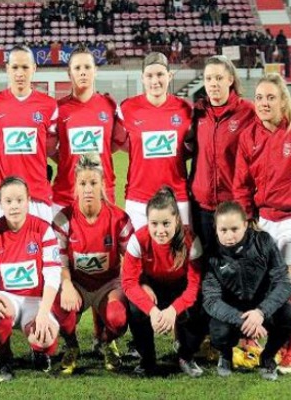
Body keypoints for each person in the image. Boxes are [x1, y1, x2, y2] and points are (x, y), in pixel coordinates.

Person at [52, 152, 133, 373]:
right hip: (76, 284)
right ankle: (72, 346)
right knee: (57, 308)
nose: (88, 189)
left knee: (118, 317)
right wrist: (67, 285)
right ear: (75, 186)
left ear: (103, 185)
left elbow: (133, 261)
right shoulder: (62, 220)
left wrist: (125, 289)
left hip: (108, 285)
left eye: (93, 183)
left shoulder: (120, 219)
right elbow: (58, 263)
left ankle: (106, 341)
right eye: (83, 183)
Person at [233, 73, 291, 372]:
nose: (264, 103)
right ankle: (256, 341)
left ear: (283, 100)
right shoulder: (248, 136)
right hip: (262, 222)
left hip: (290, 221)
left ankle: (289, 347)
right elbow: (241, 185)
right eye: (259, 98)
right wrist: (248, 224)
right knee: (260, 285)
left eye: (271, 97)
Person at [0, 177, 62, 382]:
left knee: (45, 339)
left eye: (19, 200)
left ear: (28, 200)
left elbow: (53, 274)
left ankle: (39, 351)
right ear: (0, 204)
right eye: (8, 201)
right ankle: (5, 358)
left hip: (36, 301)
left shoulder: (43, 229)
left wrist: (43, 313)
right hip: (9, 298)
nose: (14, 206)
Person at [121, 187, 205, 377]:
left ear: (177, 220)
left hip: (180, 290)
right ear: (147, 223)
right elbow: (128, 282)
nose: (160, 230)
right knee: (134, 308)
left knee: (200, 307)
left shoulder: (191, 241)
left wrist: (174, 310)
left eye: (166, 223)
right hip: (154, 289)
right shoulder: (138, 240)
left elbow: (194, 286)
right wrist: (152, 311)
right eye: (154, 224)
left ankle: (186, 356)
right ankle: (147, 359)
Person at [203, 201, 291, 381]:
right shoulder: (211, 253)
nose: (229, 236)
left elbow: (282, 281)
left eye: (235, 229)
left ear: (245, 224)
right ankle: (225, 356)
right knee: (218, 330)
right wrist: (242, 319)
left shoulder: (263, 241)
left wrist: (261, 312)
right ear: (216, 229)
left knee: (288, 316)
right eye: (224, 230)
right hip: (232, 313)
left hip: (261, 309)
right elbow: (211, 300)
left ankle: (267, 357)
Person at [115, 52, 192, 230]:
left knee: (182, 254)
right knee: (139, 254)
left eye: (160, 74)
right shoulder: (127, 108)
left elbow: (189, 149)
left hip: (177, 197)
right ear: (142, 78)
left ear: (169, 76)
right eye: (149, 76)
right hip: (139, 199)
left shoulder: (185, 109)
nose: (155, 81)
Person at [187, 55, 254, 254]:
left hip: (234, 206)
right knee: (207, 265)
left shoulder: (248, 112)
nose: (213, 84)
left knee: (236, 265)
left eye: (218, 78)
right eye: (208, 79)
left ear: (230, 79)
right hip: (202, 207)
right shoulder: (197, 113)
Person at [0, 45, 58, 224]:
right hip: (3, 195)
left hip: (37, 195)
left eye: (25, 67)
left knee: (41, 251)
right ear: (7, 69)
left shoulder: (49, 105)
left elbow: (52, 147)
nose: (20, 73)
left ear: (34, 69)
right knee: (0, 251)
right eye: (15, 67)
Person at [52, 46, 120, 215]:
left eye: (87, 67)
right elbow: (49, 147)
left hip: (102, 193)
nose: (83, 72)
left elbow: (116, 142)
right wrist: (67, 159)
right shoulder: (58, 109)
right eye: (77, 68)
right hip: (66, 195)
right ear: (69, 73)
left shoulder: (109, 105)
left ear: (95, 71)